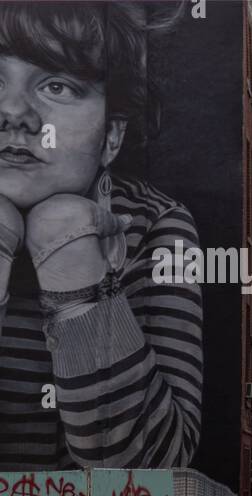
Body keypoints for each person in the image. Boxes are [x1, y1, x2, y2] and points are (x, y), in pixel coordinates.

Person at [0, 2, 202, 470]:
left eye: (57, 85)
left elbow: (152, 471)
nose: (13, 113)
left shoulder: (154, 226)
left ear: (111, 135)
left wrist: (76, 277)